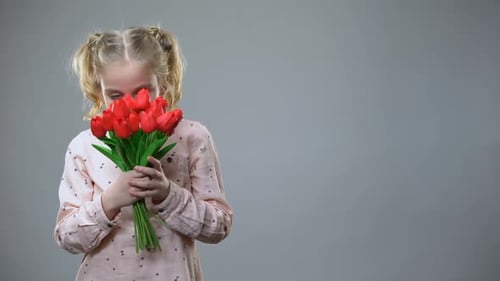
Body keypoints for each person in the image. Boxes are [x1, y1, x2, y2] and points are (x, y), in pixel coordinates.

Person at [54, 26, 233, 281]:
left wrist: (168, 195)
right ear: (98, 89)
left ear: (163, 81)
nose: (129, 105)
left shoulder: (192, 137)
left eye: (142, 92)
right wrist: (109, 202)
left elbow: (219, 227)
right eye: (114, 95)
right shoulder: (84, 147)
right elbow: (67, 238)